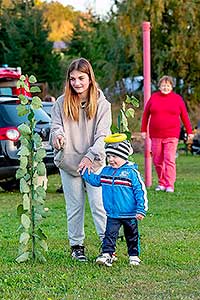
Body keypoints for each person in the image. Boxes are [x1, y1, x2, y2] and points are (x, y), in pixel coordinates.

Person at [50, 58, 112, 261]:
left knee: (99, 205)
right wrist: (58, 136)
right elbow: (56, 126)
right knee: (74, 207)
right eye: (72, 79)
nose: (77, 83)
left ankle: (107, 246)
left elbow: (103, 136)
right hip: (69, 162)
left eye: (81, 78)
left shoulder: (102, 104)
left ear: (90, 78)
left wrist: (90, 156)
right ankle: (77, 246)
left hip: (94, 163)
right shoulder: (61, 102)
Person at [79, 133, 148, 267]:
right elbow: (96, 180)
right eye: (109, 156)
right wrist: (84, 172)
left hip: (129, 213)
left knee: (132, 235)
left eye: (114, 156)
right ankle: (107, 254)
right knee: (109, 235)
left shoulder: (131, 173)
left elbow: (140, 191)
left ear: (123, 156)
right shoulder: (106, 171)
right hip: (112, 213)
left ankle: (134, 256)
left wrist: (141, 209)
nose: (110, 159)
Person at [141, 75, 194, 192]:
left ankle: (170, 184)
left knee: (169, 159)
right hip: (155, 135)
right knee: (157, 160)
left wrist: (189, 131)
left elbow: (184, 116)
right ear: (159, 86)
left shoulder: (177, 99)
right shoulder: (154, 98)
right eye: (163, 85)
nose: (166, 87)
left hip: (172, 134)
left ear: (172, 87)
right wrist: (143, 130)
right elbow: (146, 115)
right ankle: (162, 182)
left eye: (168, 85)